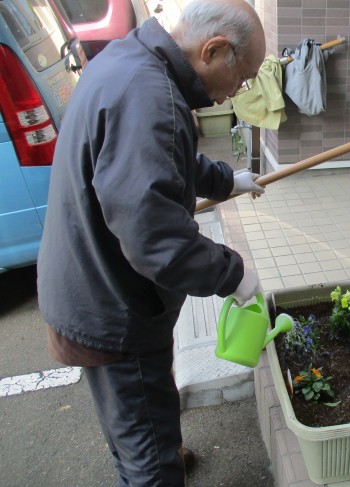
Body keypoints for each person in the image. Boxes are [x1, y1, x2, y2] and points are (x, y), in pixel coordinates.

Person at [37, 0, 267, 484]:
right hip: (115, 311)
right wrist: (232, 272)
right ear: (214, 50)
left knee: (136, 420)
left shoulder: (130, 62)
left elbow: (157, 164)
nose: (236, 93)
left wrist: (226, 180)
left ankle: (151, 448)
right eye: (242, 77)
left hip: (91, 285)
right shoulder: (149, 97)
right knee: (149, 456)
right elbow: (155, 238)